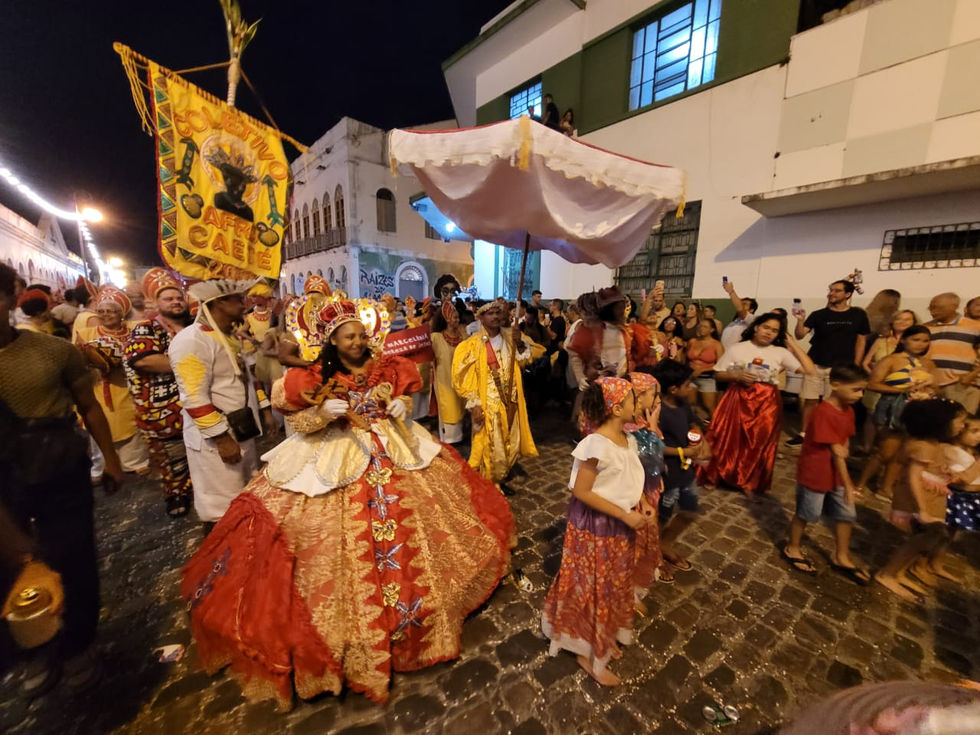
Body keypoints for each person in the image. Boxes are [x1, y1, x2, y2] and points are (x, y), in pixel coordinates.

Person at [180, 293, 514, 706]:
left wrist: (400, 405)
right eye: (348, 337)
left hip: (391, 445)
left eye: (360, 335)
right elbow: (299, 420)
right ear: (332, 341)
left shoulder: (385, 366)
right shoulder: (312, 376)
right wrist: (323, 414)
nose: (357, 342)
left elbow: (403, 396)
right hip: (334, 453)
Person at [0, 262, 123, 694]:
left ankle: (78, 643)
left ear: (10, 298)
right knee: (10, 564)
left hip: (58, 468)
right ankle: (32, 646)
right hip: (4, 478)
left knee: (73, 556)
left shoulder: (53, 351)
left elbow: (88, 405)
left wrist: (111, 459)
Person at [541, 377, 651, 686]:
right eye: (633, 399)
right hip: (597, 526)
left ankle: (600, 637)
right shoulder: (596, 445)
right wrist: (623, 514)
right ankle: (588, 651)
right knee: (593, 583)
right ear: (616, 408)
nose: (638, 404)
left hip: (618, 523)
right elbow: (582, 491)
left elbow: (628, 477)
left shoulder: (626, 439)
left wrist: (641, 502)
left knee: (612, 580)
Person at [169, 280, 274, 525]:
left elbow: (251, 378)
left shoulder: (230, 336)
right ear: (218, 303)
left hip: (241, 428)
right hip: (216, 441)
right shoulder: (191, 340)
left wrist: (265, 410)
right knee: (223, 508)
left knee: (246, 495)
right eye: (237, 299)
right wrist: (222, 439)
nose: (244, 304)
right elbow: (193, 396)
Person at [700, 313, 816, 495]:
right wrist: (736, 375)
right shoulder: (737, 348)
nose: (769, 333)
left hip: (767, 401)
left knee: (759, 441)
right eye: (766, 327)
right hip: (737, 397)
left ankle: (748, 481)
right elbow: (718, 373)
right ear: (756, 327)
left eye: (775, 331)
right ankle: (716, 475)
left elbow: (810, 370)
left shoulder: (780, 352)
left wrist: (792, 344)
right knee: (727, 437)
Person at [782, 365, 871, 584]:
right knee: (807, 512)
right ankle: (792, 547)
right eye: (856, 390)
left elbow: (845, 440)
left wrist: (845, 450)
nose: (860, 395)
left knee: (845, 514)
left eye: (862, 390)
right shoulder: (823, 412)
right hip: (817, 471)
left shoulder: (848, 410)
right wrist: (849, 485)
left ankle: (841, 554)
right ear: (836, 385)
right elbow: (836, 453)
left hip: (836, 472)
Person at [875, 399, 965, 602]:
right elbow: (913, 477)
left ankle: (900, 572)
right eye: (959, 421)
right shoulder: (923, 447)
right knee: (919, 539)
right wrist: (922, 509)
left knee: (928, 537)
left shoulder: (933, 444)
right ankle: (887, 573)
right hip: (918, 499)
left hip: (931, 497)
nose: (962, 426)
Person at [124, 268, 194, 518]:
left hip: (196, 401)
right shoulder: (147, 328)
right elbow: (143, 360)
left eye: (178, 298)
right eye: (168, 299)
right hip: (163, 409)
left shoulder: (195, 326)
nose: (175, 302)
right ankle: (176, 493)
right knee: (172, 456)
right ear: (156, 303)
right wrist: (193, 364)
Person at [453, 301, 538, 488]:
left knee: (512, 441)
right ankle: (491, 483)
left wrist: (519, 344)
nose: (495, 317)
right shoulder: (471, 345)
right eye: (490, 313)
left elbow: (525, 360)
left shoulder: (510, 337)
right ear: (481, 318)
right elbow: (464, 378)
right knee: (492, 444)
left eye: (498, 313)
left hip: (511, 400)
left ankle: (502, 474)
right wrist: (474, 404)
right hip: (488, 403)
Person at [855, 325, 936, 498]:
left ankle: (886, 487)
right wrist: (902, 390)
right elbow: (873, 384)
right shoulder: (891, 360)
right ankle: (860, 484)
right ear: (904, 340)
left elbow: (936, 386)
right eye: (916, 340)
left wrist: (927, 391)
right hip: (891, 408)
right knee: (885, 450)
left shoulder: (928, 364)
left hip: (915, 411)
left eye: (925, 341)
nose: (921, 344)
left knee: (902, 453)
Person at [75, 286, 150, 475]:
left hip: (130, 386)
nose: (105, 315)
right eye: (101, 311)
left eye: (111, 311)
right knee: (100, 425)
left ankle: (135, 461)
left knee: (131, 422)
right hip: (99, 388)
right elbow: (76, 361)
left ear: (121, 313)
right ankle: (102, 465)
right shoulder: (86, 333)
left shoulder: (135, 329)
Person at [790, 280, 870, 445]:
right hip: (815, 364)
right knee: (810, 400)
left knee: (832, 403)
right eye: (831, 290)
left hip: (841, 367)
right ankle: (805, 433)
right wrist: (800, 320)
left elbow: (861, 340)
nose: (831, 293)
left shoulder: (858, 315)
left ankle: (827, 434)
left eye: (837, 291)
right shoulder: (819, 314)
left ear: (847, 294)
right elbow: (799, 335)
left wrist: (856, 364)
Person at [651, 360, 709, 573]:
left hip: (686, 470)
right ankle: (651, 554)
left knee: (690, 511)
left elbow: (693, 422)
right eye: (687, 384)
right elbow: (653, 445)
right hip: (668, 472)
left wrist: (700, 440)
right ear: (673, 389)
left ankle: (665, 544)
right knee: (661, 516)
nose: (691, 387)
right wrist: (683, 452)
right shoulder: (658, 411)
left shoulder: (682, 403)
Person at [627, 370, 666, 597]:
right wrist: (652, 429)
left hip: (648, 489)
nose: (658, 399)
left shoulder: (643, 420)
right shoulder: (633, 428)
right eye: (654, 394)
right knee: (635, 537)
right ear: (639, 396)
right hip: (636, 493)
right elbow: (650, 461)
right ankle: (629, 585)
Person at [925, 292, 980, 414]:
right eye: (931, 307)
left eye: (938, 307)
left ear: (954, 306)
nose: (933, 311)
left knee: (961, 421)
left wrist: (973, 376)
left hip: (962, 385)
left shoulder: (975, 327)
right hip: (932, 385)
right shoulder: (926, 327)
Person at [430, 299, 467, 443]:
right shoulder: (436, 338)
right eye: (455, 317)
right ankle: (449, 440)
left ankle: (459, 438)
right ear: (446, 319)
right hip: (444, 381)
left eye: (458, 317)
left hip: (462, 381)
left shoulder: (464, 335)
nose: (458, 320)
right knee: (449, 407)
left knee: (460, 407)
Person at [686, 318, 724, 417]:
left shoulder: (717, 345)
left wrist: (702, 369)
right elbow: (685, 358)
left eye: (705, 327)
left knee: (710, 407)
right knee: (690, 405)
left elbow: (721, 365)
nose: (701, 328)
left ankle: (715, 425)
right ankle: (692, 424)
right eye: (700, 326)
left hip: (707, 379)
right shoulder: (692, 341)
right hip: (691, 377)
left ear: (712, 330)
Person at [719, 281, 758, 351]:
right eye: (741, 303)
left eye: (744, 304)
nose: (741, 305)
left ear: (751, 310)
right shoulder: (733, 322)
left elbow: (740, 309)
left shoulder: (752, 320)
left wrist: (731, 291)